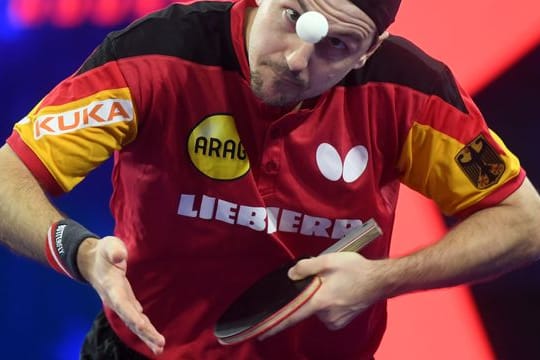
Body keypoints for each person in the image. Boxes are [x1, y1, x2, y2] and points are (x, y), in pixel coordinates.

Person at [1, 0, 539, 358]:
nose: (297, 61)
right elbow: (8, 176)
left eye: (338, 47)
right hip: (144, 352)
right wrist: (81, 252)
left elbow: (526, 223)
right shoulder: (152, 58)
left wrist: (383, 280)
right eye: (293, 17)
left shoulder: (413, 93)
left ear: (370, 51)